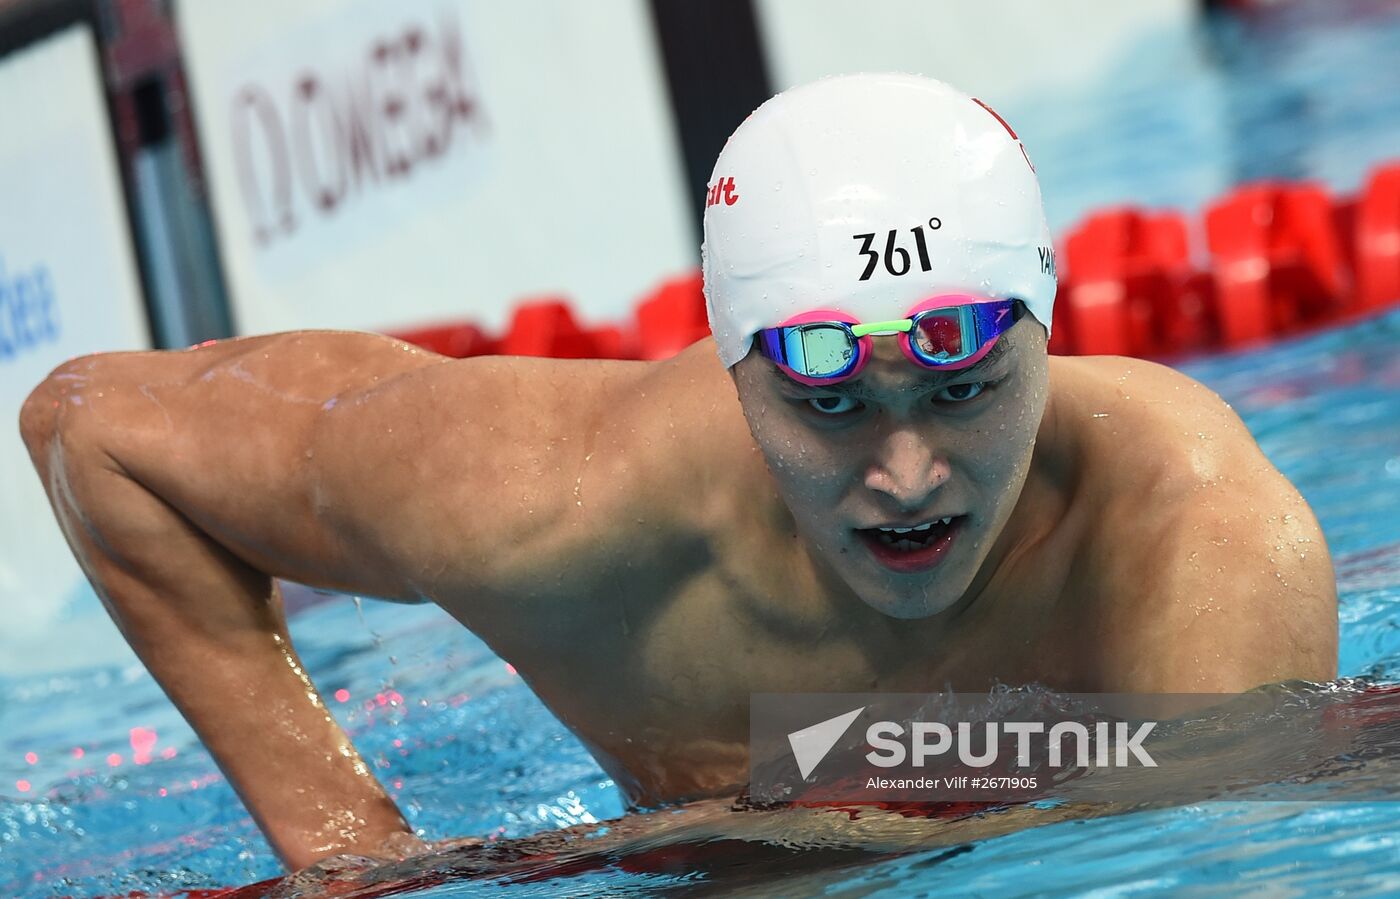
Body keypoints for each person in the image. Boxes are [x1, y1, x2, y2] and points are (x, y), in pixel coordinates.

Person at [18, 74, 1336, 872]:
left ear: (1047, 339)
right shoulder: (549, 503)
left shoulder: (1199, 544)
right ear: (732, 369)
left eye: (963, 391)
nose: (907, 472)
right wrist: (346, 850)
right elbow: (93, 425)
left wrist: (805, 812)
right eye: (829, 406)